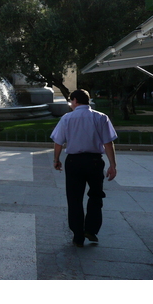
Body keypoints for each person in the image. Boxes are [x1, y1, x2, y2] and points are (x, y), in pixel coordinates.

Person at [50, 89, 118, 247]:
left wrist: (56, 159)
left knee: (74, 198)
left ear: (75, 100)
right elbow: (108, 143)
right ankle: (91, 229)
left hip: (74, 162)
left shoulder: (67, 118)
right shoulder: (101, 117)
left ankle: (77, 234)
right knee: (96, 195)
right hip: (94, 162)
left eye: (70, 101)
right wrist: (112, 165)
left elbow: (58, 141)